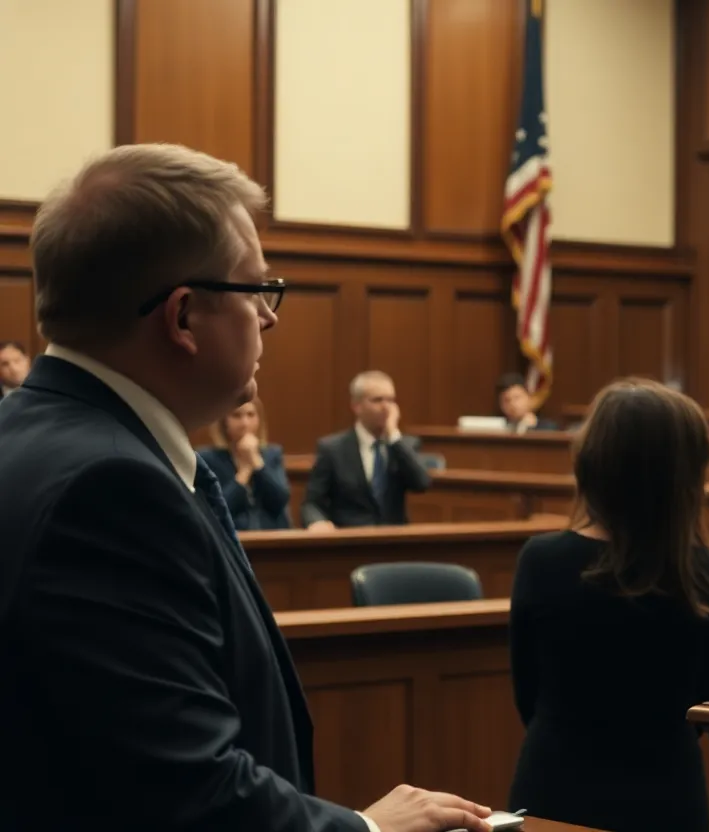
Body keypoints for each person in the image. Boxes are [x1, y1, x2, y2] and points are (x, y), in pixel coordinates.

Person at [0, 144, 491, 832]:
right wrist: (369, 830)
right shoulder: (111, 491)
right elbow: (187, 792)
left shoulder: (30, 433)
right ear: (182, 317)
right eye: (256, 289)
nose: (270, 316)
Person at [507, 377, 709, 832]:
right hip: (669, 792)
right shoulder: (708, 571)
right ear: (688, 473)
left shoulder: (542, 560)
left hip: (557, 782)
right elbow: (702, 696)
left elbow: (526, 691)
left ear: (591, 463)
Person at [301, 371, 431, 529]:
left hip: (394, 538)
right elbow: (312, 503)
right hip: (350, 538)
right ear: (356, 406)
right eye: (377, 400)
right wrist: (316, 522)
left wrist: (394, 437)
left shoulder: (403, 445)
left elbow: (422, 483)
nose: (386, 407)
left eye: (390, 400)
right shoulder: (333, 449)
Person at [198, 397, 292, 530]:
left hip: (273, 534)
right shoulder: (209, 459)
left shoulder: (272, 455)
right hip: (232, 535)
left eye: (251, 415)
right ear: (224, 421)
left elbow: (280, 501)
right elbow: (219, 509)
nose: (245, 423)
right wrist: (245, 471)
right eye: (236, 416)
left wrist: (256, 461)